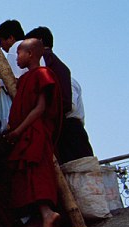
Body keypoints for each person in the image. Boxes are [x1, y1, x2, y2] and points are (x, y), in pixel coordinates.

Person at [5, 38, 63, 227]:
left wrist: (19, 130)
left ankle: (48, 214)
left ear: (30, 54)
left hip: (34, 131)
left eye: (19, 53)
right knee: (28, 176)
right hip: (27, 132)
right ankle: (42, 223)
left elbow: (40, 108)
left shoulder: (42, 74)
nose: (16, 57)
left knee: (36, 172)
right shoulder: (25, 78)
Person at [24, 26, 94, 163]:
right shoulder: (59, 69)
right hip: (63, 129)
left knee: (79, 170)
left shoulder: (53, 68)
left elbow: (69, 105)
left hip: (69, 129)